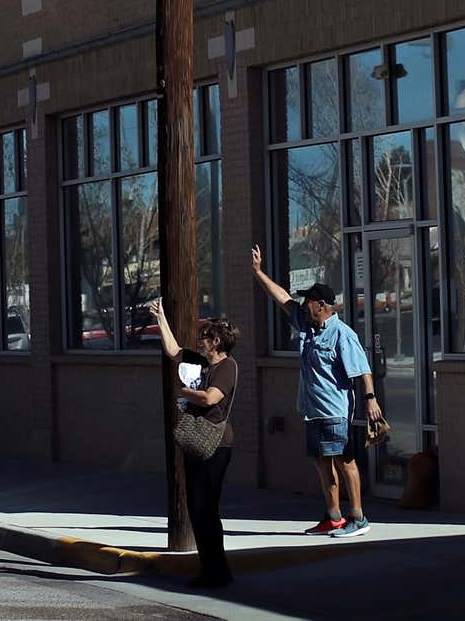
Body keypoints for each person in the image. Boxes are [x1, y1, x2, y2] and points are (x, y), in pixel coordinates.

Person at [251, 245, 382, 538]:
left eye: (308, 301)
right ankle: (333, 516)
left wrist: (370, 400)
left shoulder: (342, 334)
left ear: (321, 305)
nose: (303, 306)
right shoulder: (307, 326)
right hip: (311, 410)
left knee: (344, 461)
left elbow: (362, 369)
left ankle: (358, 517)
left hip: (335, 410)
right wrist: (259, 272)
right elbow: (282, 298)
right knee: (322, 465)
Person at [150, 299, 239, 588]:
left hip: (216, 444)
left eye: (203, 337)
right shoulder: (200, 362)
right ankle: (209, 569)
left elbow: (212, 397)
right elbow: (173, 351)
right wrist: (161, 317)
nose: (199, 341)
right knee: (196, 507)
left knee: (206, 507)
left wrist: (186, 393)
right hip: (196, 441)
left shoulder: (227, 367)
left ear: (215, 342)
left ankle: (218, 571)